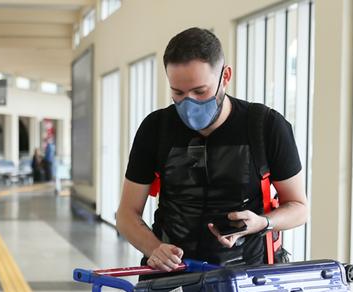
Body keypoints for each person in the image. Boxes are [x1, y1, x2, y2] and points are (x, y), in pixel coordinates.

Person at [116, 27, 309, 270]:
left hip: (246, 279)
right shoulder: (156, 129)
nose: (190, 103)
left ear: (225, 76)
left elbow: (299, 208)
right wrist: (154, 248)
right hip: (172, 279)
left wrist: (263, 222)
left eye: (200, 91)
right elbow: (126, 215)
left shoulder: (266, 127)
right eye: (178, 93)